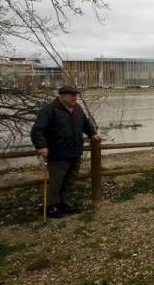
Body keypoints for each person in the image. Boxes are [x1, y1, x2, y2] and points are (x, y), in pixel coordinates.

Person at [30, 85, 101, 218]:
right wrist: (41, 146)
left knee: (70, 180)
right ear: (63, 96)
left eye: (76, 95)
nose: (75, 98)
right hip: (58, 154)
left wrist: (92, 133)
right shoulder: (49, 110)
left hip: (75, 152)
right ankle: (53, 207)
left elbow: (85, 123)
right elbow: (37, 130)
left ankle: (66, 203)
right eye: (72, 95)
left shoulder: (78, 109)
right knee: (57, 181)